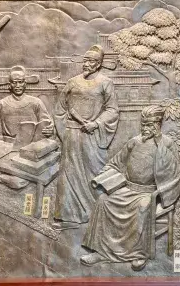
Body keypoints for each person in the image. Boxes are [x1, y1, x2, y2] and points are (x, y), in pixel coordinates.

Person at [81, 104, 180, 271]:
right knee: (103, 200)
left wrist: (159, 143)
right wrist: (105, 175)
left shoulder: (167, 144)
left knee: (142, 207)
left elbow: (172, 171)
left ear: (158, 125)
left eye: (149, 125)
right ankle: (101, 251)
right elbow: (117, 162)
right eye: (143, 124)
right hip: (128, 188)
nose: (145, 128)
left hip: (149, 192)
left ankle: (139, 254)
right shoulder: (134, 142)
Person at [52, 45, 120, 230]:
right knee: (69, 174)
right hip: (72, 134)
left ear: (98, 64)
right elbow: (60, 108)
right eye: (85, 60)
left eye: (91, 61)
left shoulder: (105, 82)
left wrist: (96, 123)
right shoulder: (73, 82)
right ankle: (67, 217)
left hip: (92, 135)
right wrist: (64, 132)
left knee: (94, 172)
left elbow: (112, 110)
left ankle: (96, 216)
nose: (86, 64)